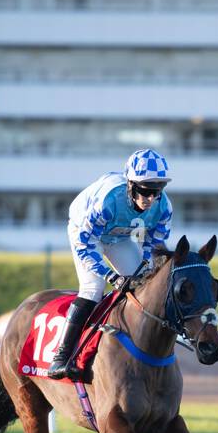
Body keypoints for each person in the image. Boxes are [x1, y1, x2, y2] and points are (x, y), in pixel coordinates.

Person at [46, 149, 173, 381]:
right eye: (145, 190)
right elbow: (85, 244)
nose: (151, 198)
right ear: (130, 185)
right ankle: (61, 357)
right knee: (93, 289)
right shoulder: (109, 200)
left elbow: (153, 245)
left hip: (119, 237)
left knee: (139, 285)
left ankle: (130, 347)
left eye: (157, 190)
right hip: (86, 233)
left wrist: (144, 268)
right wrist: (110, 276)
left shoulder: (164, 208)